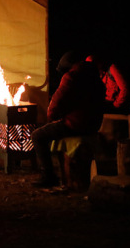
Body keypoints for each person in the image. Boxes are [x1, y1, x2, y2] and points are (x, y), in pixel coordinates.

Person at [30, 51, 106, 187]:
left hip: (76, 125)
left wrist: (52, 118)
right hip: (93, 124)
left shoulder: (72, 77)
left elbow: (56, 103)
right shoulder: (95, 75)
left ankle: (48, 176)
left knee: (37, 136)